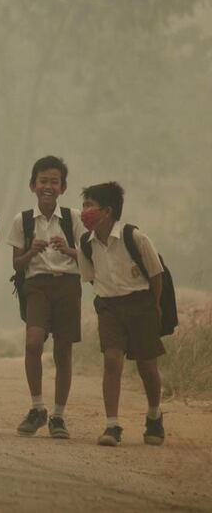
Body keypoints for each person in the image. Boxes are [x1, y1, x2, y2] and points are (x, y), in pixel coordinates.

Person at [77, 182, 166, 447]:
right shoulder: (85, 243)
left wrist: (155, 306)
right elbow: (91, 278)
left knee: (147, 366)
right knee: (112, 361)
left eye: (89, 206)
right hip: (109, 307)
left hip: (141, 304)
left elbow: (156, 273)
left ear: (107, 211)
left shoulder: (134, 237)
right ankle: (112, 425)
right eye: (83, 206)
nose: (84, 212)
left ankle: (154, 415)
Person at [7, 156, 84, 439]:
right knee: (33, 342)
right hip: (36, 286)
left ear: (63, 187)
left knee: (63, 351)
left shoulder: (74, 218)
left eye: (54, 181)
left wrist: (69, 250)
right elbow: (17, 264)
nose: (48, 187)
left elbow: (89, 258)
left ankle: (58, 416)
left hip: (67, 285)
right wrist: (31, 252)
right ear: (33, 185)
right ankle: (37, 407)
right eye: (43, 181)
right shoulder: (23, 220)